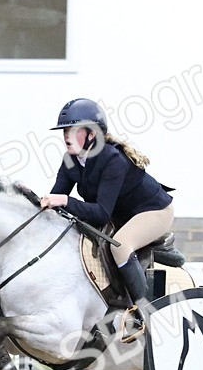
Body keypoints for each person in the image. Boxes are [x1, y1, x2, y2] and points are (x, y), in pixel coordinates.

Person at [39, 98, 174, 339]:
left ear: (92, 134)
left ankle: (145, 314)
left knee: (120, 246)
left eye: (72, 130)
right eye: (64, 131)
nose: (65, 136)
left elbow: (100, 212)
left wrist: (64, 201)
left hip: (154, 212)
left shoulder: (113, 160)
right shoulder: (71, 159)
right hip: (121, 214)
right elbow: (58, 195)